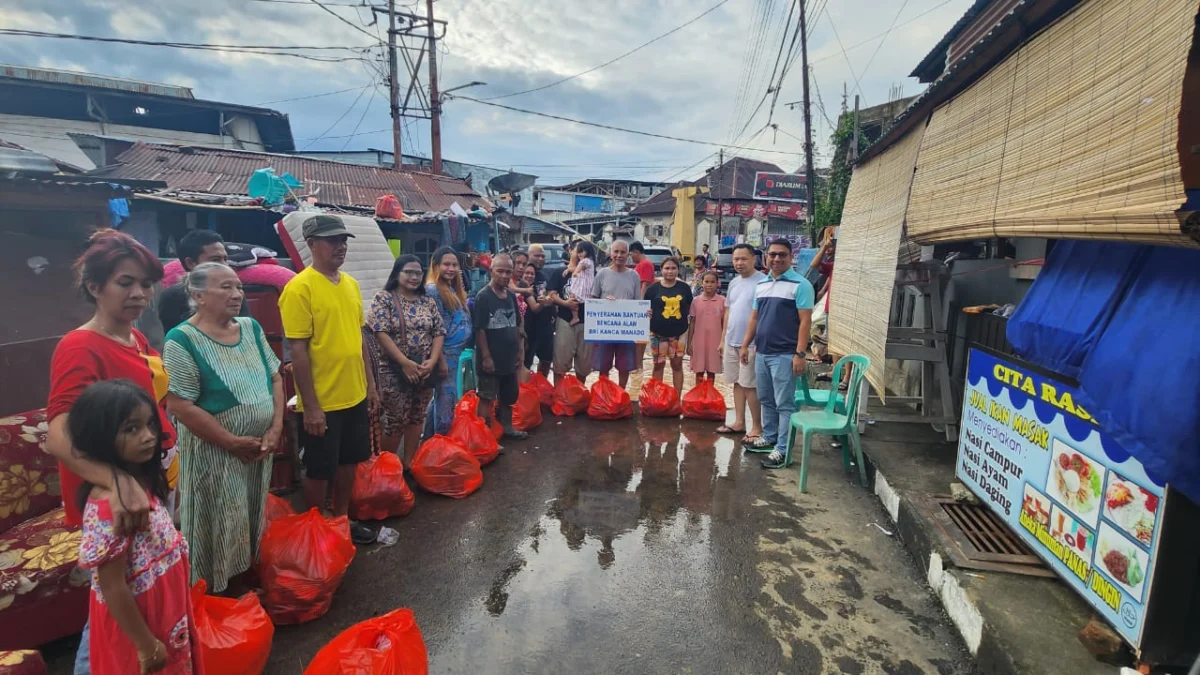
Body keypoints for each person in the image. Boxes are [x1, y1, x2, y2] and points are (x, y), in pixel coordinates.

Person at [45, 230, 179, 675]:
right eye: (125, 283)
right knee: (111, 600)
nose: (140, 293)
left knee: (141, 592)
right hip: (115, 501)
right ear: (94, 287)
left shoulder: (135, 339)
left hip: (149, 485)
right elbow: (59, 434)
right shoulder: (80, 346)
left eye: (146, 283)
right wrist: (117, 483)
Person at [163, 262, 284, 594]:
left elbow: (274, 375)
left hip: (257, 450)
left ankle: (244, 581)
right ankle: (217, 593)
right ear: (198, 295)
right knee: (218, 521)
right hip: (215, 455)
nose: (236, 295)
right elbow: (180, 403)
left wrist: (275, 428)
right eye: (225, 288)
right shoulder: (182, 340)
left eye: (239, 287)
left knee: (249, 514)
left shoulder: (251, 328)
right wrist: (231, 442)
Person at [71, 379, 204, 675]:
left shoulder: (138, 482)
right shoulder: (111, 506)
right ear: (100, 436)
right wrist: (145, 644)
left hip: (163, 607)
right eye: (131, 429)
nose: (148, 437)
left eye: (150, 426)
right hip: (142, 620)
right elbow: (112, 585)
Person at [279, 214, 379, 545]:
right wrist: (310, 407)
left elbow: (359, 339)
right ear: (311, 245)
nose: (341, 246)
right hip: (323, 400)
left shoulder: (349, 284)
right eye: (332, 240)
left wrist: (371, 386)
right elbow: (299, 352)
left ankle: (341, 520)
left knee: (350, 461)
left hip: (355, 394)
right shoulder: (300, 288)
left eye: (343, 240)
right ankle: (316, 529)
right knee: (320, 468)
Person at [739, 239, 814, 468]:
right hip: (762, 352)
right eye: (772, 255)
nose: (777, 259)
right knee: (766, 399)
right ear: (766, 257)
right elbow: (754, 317)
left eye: (782, 255)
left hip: (785, 354)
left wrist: (800, 354)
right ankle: (769, 438)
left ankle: (783, 449)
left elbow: (805, 321)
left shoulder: (800, 285)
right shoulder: (762, 284)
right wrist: (745, 345)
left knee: (785, 404)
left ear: (791, 257)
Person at [368, 254, 446, 465]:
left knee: (416, 416)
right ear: (397, 273)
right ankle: (387, 468)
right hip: (393, 370)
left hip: (423, 369)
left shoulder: (427, 301)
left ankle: (409, 464)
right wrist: (404, 362)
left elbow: (439, 331)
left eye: (418, 273)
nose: (414, 277)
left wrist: (433, 360)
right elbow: (379, 331)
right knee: (395, 420)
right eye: (408, 272)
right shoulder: (384, 298)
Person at [473, 253, 528, 440]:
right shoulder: (483, 297)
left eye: (508, 272)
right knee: (487, 397)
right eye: (500, 271)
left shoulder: (511, 296)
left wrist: (520, 351)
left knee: (508, 396)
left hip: (509, 357)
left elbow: (517, 325)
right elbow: (479, 330)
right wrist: (486, 357)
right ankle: (484, 436)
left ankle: (507, 428)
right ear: (491, 271)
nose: (504, 276)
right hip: (491, 359)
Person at [157, 229, 249, 331]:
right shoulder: (172, 297)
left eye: (225, 259)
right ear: (190, 263)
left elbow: (245, 333)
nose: (224, 265)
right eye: (215, 260)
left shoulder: (235, 292)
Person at [719, 243, 766, 441]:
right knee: (736, 383)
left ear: (753, 259)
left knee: (750, 385)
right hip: (731, 341)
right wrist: (723, 339)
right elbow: (728, 311)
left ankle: (757, 427)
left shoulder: (763, 282)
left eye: (743, 259)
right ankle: (739, 422)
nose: (739, 263)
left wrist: (753, 342)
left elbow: (762, 315)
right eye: (736, 259)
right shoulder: (733, 283)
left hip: (752, 343)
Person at [426, 246, 472, 435]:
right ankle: (440, 447)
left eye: (454, 265)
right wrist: (440, 361)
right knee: (446, 402)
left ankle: (429, 443)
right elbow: (434, 329)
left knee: (439, 400)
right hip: (444, 355)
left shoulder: (451, 289)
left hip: (454, 354)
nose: (451, 269)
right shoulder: (433, 291)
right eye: (446, 264)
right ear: (436, 266)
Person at [591, 240, 643, 388]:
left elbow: (638, 303)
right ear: (610, 253)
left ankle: (621, 393)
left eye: (623, 252)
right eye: (616, 252)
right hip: (605, 328)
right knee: (603, 365)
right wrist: (604, 303)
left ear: (628, 255)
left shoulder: (634, 275)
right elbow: (593, 300)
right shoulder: (602, 273)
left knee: (625, 365)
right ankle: (604, 392)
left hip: (626, 329)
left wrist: (645, 313)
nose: (619, 255)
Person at [547, 241, 594, 384]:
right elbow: (551, 294)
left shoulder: (593, 272)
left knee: (584, 367)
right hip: (565, 321)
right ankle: (559, 397)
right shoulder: (559, 272)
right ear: (571, 251)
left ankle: (579, 396)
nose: (580, 254)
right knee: (560, 364)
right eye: (577, 250)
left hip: (588, 323)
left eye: (583, 251)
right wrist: (565, 303)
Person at [644, 257, 692, 397]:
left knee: (677, 365)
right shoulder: (652, 289)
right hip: (657, 333)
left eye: (673, 268)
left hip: (679, 333)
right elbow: (645, 308)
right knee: (658, 365)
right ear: (661, 270)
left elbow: (690, 309)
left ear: (678, 270)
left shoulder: (684, 288)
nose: (670, 271)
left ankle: (677, 398)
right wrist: (647, 312)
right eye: (667, 268)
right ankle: (656, 396)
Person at [523, 244, 556, 378]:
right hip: (529, 328)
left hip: (546, 326)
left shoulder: (544, 275)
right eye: (537, 255)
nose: (541, 258)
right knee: (526, 362)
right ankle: (524, 391)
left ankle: (541, 388)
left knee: (546, 360)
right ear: (528, 256)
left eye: (543, 256)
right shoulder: (523, 276)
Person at [688, 270, 726, 382]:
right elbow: (692, 322)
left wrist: (723, 342)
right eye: (707, 281)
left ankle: (709, 397)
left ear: (717, 283)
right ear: (702, 282)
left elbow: (725, 323)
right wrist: (689, 343)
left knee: (711, 371)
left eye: (712, 282)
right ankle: (698, 396)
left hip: (715, 341)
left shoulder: (722, 301)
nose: (709, 284)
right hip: (698, 341)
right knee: (698, 371)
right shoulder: (696, 301)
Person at [564, 240, 596, 326]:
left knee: (573, 297)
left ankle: (575, 317)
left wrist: (575, 273)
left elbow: (580, 267)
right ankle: (576, 317)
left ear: (588, 251)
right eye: (578, 252)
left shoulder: (586, 261)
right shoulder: (590, 261)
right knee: (573, 297)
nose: (579, 254)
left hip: (583, 286)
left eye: (582, 252)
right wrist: (569, 270)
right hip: (584, 285)